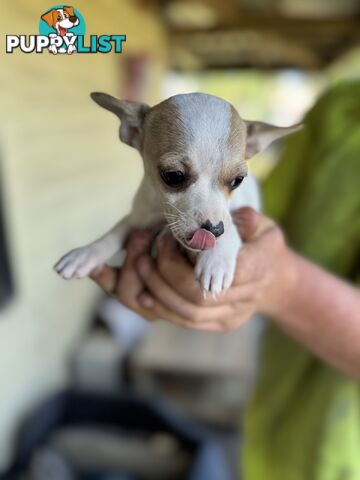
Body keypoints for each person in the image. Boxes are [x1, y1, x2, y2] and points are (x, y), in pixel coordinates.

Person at [91, 81, 360, 479]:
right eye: (175, 175)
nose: (211, 218)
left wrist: (284, 288)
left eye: (231, 180)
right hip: (272, 407)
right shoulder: (340, 107)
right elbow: (256, 215)